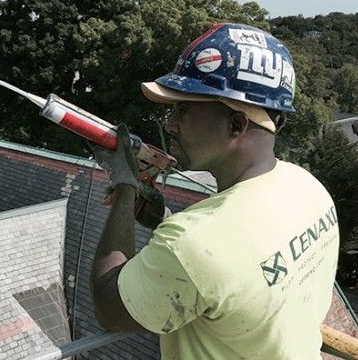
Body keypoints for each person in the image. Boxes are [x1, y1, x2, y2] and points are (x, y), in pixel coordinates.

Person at [90, 23, 340, 359]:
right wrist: (164, 220)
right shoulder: (308, 188)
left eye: (184, 110)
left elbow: (110, 307)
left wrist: (124, 185)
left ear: (236, 125)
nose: (169, 124)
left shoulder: (195, 242)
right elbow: (238, 264)